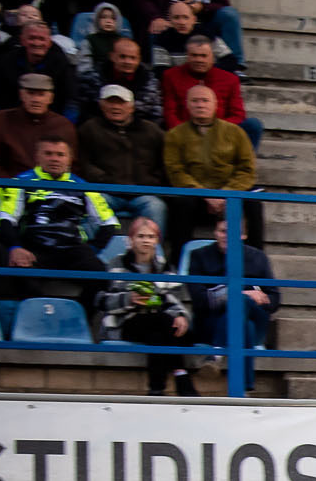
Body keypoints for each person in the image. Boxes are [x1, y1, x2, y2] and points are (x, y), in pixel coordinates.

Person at [0, 136, 116, 305]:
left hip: (72, 248)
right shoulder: (21, 182)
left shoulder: (82, 185)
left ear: (69, 159)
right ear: (37, 157)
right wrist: (15, 247)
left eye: (60, 154)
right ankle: (39, 318)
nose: (54, 158)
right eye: (48, 154)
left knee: (100, 276)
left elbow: (109, 223)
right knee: (18, 272)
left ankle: (78, 320)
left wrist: (93, 248)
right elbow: (5, 220)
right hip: (35, 248)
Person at [98, 216, 195, 393]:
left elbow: (172, 299)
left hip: (157, 325)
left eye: (150, 237)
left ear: (157, 241)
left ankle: (156, 390)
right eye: (141, 236)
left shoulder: (164, 266)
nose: (146, 241)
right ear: (131, 239)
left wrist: (180, 315)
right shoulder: (116, 264)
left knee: (157, 335)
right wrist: (129, 299)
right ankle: (181, 375)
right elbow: (102, 301)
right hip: (125, 322)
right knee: (164, 322)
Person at [162, 83, 256, 246]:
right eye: (195, 101)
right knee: (181, 203)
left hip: (229, 196)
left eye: (205, 100)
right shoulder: (175, 135)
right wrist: (204, 194)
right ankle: (178, 263)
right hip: (195, 198)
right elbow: (175, 171)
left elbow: (247, 170)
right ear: (187, 104)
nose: (200, 105)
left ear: (215, 104)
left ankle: (254, 262)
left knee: (253, 203)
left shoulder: (235, 132)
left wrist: (225, 194)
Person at [75, 80, 167, 234]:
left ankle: (155, 255)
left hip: (142, 193)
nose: (116, 107)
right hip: (105, 191)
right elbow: (83, 161)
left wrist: (153, 180)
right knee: (92, 203)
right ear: (101, 105)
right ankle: (90, 253)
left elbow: (165, 161)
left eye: (121, 103)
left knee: (156, 207)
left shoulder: (151, 130)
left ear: (131, 107)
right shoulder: (90, 128)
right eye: (110, 102)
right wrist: (103, 179)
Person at [181, 217, 278, 352]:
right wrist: (242, 294)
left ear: (244, 235)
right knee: (246, 327)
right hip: (212, 323)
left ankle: (215, 355)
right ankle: (222, 358)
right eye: (223, 231)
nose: (227, 236)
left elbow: (274, 300)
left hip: (256, 320)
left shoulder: (258, 257)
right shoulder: (199, 256)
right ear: (215, 232)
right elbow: (201, 301)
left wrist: (233, 297)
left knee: (244, 310)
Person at [0, 72, 78, 178]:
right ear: (21, 95)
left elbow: (72, 165)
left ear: (51, 98)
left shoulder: (63, 125)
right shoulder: (2, 119)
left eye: (41, 94)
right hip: (11, 185)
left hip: (52, 188)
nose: (36, 100)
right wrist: (8, 184)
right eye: (31, 93)